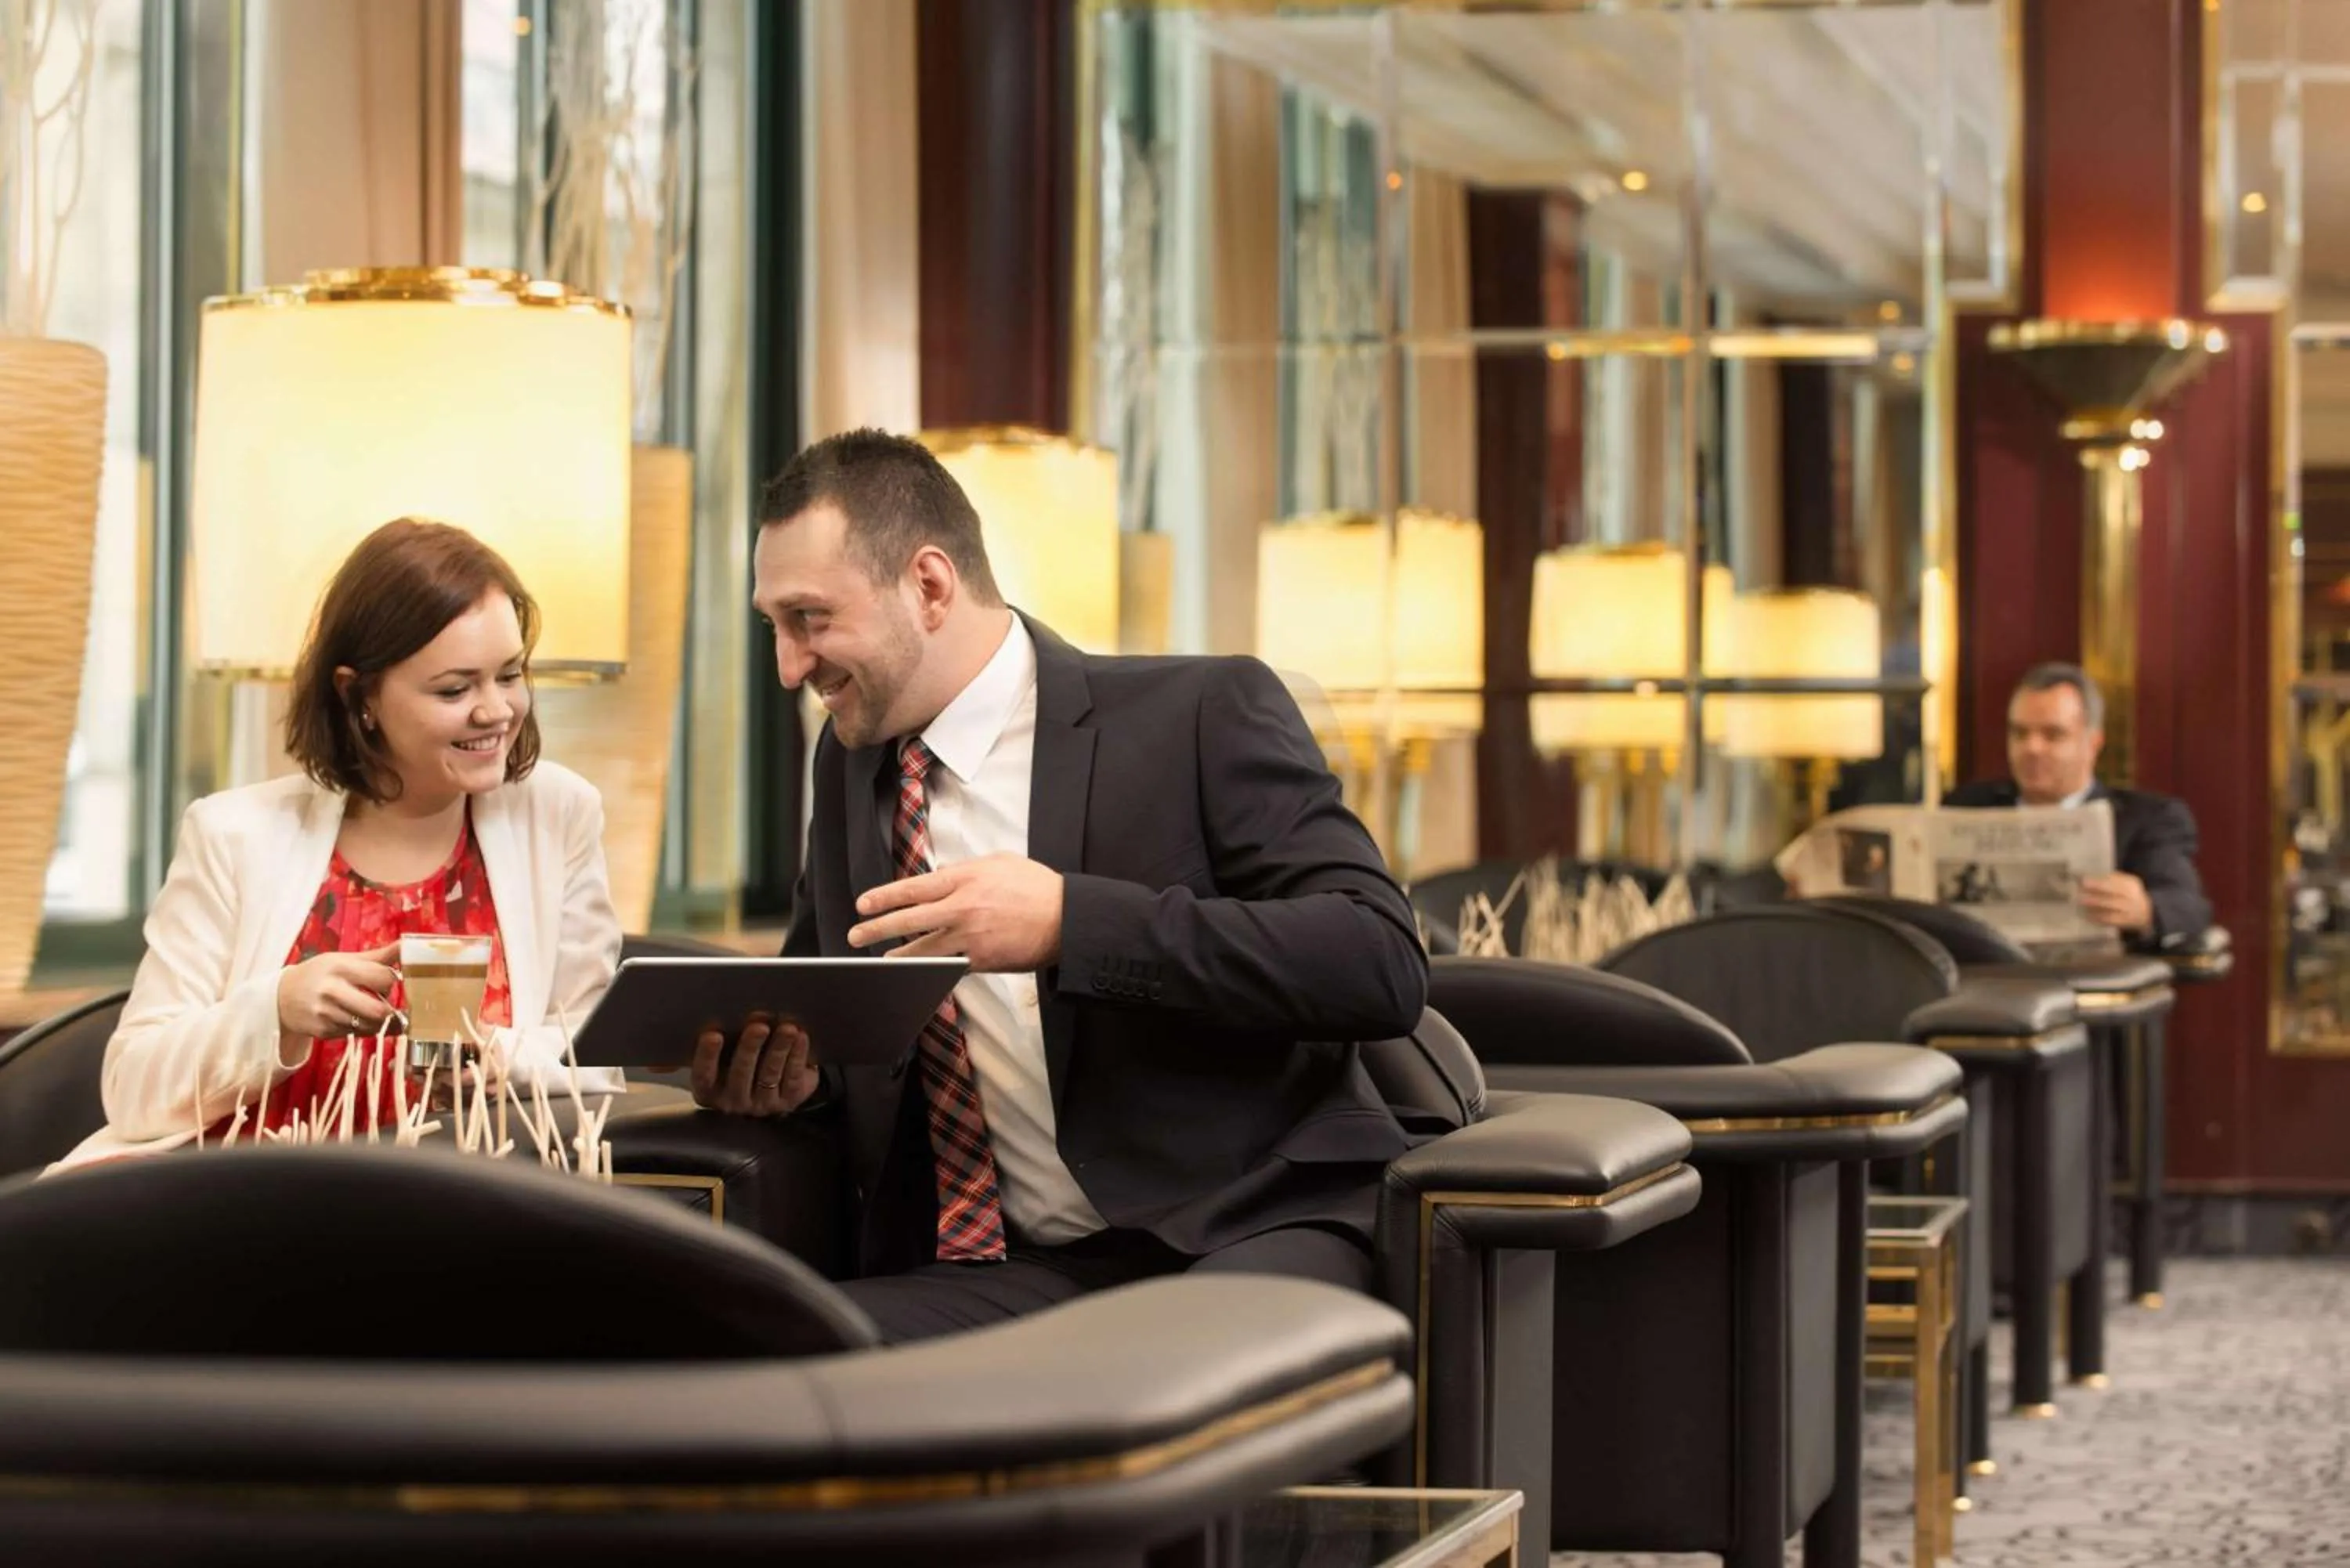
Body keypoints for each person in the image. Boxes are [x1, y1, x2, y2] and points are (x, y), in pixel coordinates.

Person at [692, 428, 1429, 1342]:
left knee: (1181, 1382)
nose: (790, 668)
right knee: (753, 1347)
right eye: (774, 626)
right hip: (1010, 1267)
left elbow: (1379, 960)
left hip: (1249, 1226)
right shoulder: (846, 769)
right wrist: (786, 1080)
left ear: (928, 585)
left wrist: (1068, 923)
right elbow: (837, 1020)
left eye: (811, 619)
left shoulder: (1201, 712)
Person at [52, 519, 624, 1171]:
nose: (496, 711)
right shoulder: (232, 836)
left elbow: (600, 1059)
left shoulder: (559, 814)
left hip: (471, 1221)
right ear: (361, 695)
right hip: (243, 1219)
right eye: (455, 689)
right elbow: (132, 1090)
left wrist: (502, 1059)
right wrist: (278, 1009)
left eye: (510, 675)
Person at [1945, 662, 2212, 952]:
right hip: (1984, 983)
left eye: (2053, 735)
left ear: (2093, 743)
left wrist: (2146, 910)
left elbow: (2189, 907)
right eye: (2020, 734)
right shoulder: (1967, 805)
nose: (2032, 749)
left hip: (2089, 985)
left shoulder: (2147, 819)